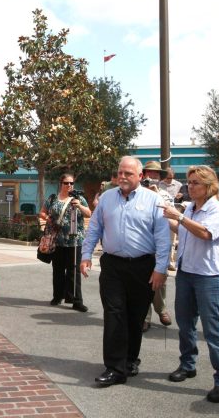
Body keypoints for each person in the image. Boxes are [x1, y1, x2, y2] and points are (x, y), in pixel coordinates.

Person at [80, 156, 171, 386]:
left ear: (140, 176)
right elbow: (94, 229)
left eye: (128, 173)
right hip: (113, 266)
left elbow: (162, 238)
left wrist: (161, 269)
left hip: (143, 267)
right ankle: (114, 368)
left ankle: (130, 359)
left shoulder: (153, 200)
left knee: (136, 316)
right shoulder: (107, 199)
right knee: (114, 314)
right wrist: (85, 255)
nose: (122, 177)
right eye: (120, 172)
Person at [161, 165, 219, 404]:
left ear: (209, 186)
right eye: (189, 182)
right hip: (186, 272)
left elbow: (204, 234)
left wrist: (179, 217)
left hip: (208, 276)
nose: (190, 187)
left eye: (195, 183)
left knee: (213, 330)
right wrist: (168, 220)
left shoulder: (216, 208)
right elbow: (185, 230)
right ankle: (187, 364)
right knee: (185, 324)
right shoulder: (191, 207)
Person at [39, 173, 91, 312]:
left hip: (75, 241)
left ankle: (76, 300)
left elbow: (89, 213)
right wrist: (47, 217)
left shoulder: (79, 198)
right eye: (66, 183)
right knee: (58, 270)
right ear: (60, 184)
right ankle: (58, 296)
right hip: (57, 241)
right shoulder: (52, 198)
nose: (69, 186)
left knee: (74, 271)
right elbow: (42, 212)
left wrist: (79, 205)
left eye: (71, 183)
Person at [142, 161, 173, 330]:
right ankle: (145, 316)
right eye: (149, 173)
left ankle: (161, 309)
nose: (152, 177)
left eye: (155, 174)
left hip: (161, 243)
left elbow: (171, 213)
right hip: (142, 243)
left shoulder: (165, 194)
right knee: (143, 280)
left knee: (160, 277)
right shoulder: (136, 193)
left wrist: (156, 196)